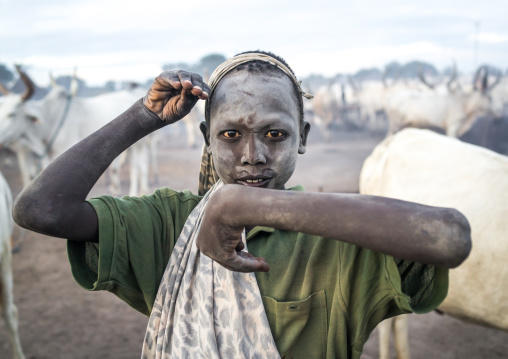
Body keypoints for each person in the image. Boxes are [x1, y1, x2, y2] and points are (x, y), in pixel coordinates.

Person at [13, 51, 471, 359]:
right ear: (207, 141)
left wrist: (237, 204)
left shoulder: (338, 239)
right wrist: (143, 116)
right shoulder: (169, 224)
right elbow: (39, 209)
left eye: (276, 134)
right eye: (231, 135)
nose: (253, 155)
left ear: (303, 138)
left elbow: (449, 237)